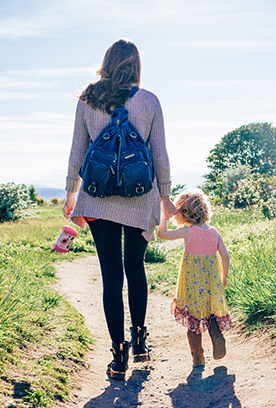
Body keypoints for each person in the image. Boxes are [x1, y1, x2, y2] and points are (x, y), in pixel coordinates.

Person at [62, 39, 175, 381]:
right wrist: (166, 196)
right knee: (135, 267)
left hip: (97, 197)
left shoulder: (88, 99)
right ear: (136, 65)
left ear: (106, 63)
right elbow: (160, 154)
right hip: (140, 197)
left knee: (111, 277)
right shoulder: (149, 100)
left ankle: (118, 355)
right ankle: (140, 341)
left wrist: (71, 193)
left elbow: (77, 149)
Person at [157, 189, 231, 367]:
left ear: (182, 213)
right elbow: (225, 256)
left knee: (193, 320)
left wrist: (163, 216)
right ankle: (217, 335)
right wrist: (224, 277)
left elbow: (162, 234)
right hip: (212, 283)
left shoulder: (187, 232)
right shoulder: (214, 232)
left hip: (191, 285)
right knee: (211, 312)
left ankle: (197, 355)